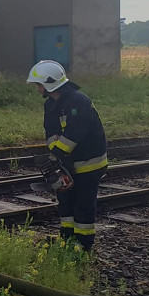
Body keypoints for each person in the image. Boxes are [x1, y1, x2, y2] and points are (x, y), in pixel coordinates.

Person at [27, 60, 108, 251]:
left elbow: (75, 132)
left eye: (39, 85)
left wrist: (57, 155)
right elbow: (51, 132)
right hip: (67, 163)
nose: (38, 89)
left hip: (89, 164)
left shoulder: (79, 101)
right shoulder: (51, 105)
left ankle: (83, 245)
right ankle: (67, 239)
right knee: (65, 204)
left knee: (83, 206)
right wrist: (57, 155)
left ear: (50, 83)